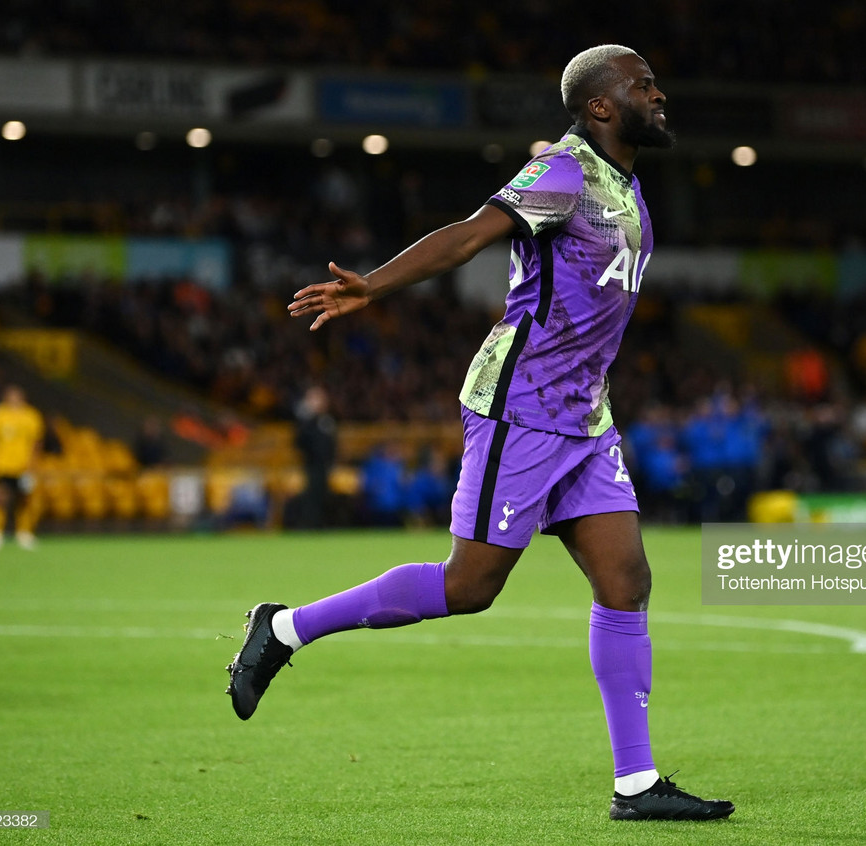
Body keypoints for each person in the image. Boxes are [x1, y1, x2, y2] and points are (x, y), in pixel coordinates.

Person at [226, 45, 733, 822]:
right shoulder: (563, 174)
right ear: (600, 105)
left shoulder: (625, 186)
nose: (660, 95)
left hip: (585, 418)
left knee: (626, 580)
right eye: (644, 86)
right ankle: (286, 629)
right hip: (521, 406)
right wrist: (377, 285)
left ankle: (636, 784)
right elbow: (469, 234)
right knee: (469, 589)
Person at [0, 384, 44, 550]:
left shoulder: (32, 416)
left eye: (17, 395)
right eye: (10, 395)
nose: (13, 398)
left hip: (23, 467)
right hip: (1, 465)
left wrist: (33, 466)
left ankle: (23, 533)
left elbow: (36, 444)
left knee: (24, 500)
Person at [292, 386, 337, 529]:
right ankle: (309, 525)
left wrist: (332, 459)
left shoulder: (327, 420)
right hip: (311, 463)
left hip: (325, 464)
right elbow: (299, 441)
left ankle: (321, 524)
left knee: (323, 494)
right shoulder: (306, 421)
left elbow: (333, 443)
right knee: (311, 494)